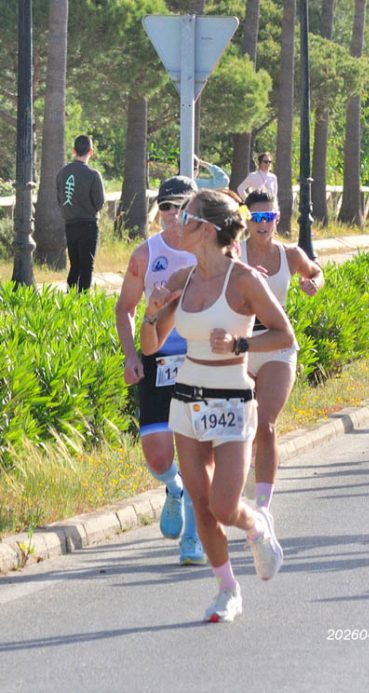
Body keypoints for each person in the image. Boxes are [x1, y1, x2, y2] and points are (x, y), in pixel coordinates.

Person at [141, 189, 295, 622]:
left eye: (186, 217)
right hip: (187, 401)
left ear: (206, 230)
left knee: (225, 505)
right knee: (202, 505)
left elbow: (283, 334)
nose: (177, 223)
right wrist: (152, 313)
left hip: (231, 399)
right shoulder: (182, 279)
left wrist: (240, 344)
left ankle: (256, 525)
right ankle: (228, 590)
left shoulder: (244, 280)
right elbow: (150, 346)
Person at [115, 175, 205, 566]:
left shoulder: (209, 250)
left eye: (179, 207)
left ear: (194, 210)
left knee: (196, 453)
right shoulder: (145, 254)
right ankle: (174, 488)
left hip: (200, 359)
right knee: (157, 456)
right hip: (157, 359)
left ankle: (193, 538)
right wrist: (130, 356)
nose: (171, 214)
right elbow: (125, 308)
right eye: (165, 206)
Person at [239, 191, 323, 511]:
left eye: (269, 217)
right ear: (247, 219)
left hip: (277, 344)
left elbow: (315, 272)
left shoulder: (290, 254)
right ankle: (249, 464)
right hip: (241, 346)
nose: (263, 224)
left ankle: (263, 509)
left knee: (266, 423)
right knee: (243, 426)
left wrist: (314, 284)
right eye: (257, 218)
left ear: (277, 219)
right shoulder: (234, 253)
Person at [56, 135, 106, 291]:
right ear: (91, 151)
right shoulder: (93, 174)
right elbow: (100, 202)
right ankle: (82, 299)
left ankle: (70, 298)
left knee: (74, 265)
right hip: (88, 225)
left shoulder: (62, 173)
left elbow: (59, 198)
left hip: (70, 224)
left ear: (74, 151)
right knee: (86, 266)